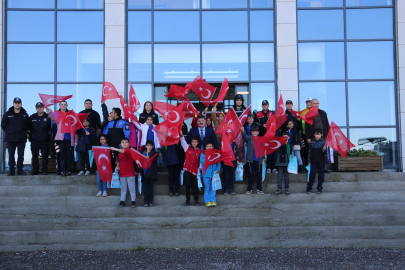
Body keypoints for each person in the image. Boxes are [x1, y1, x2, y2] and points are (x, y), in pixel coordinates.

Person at [1, 97, 30, 176]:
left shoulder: (25, 114)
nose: (17, 104)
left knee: (21, 155)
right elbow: (3, 125)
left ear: (21, 104)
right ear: (13, 104)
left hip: (21, 138)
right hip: (11, 138)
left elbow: (28, 125)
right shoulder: (7, 114)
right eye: (16, 103)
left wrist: (23, 132)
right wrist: (10, 132)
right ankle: (12, 171)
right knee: (11, 155)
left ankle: (20, 170)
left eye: (18, 103)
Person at [48, 101, 77, 176]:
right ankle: (62, 170)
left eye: (65, 104)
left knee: (69, 155)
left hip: (69, 139)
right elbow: (53, 119)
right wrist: (49, 112)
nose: (63, 106)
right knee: (61, 155)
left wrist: (75, 140)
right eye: (62, 104)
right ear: (59, 105)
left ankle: (68, 170)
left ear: (67, 105)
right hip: (60, 139)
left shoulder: (70, 114)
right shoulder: (56, 113)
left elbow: (74, 125)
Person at [305, 99, 330, 172]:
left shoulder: (323, 113)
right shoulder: (308, 114)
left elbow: (327, 125)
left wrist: (328, 136)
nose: (315, 105)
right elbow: (306, 128)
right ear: (311, 104)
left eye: (317, 103)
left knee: (323, 152)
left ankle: (324, 168)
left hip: (323, 136)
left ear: (318, 104)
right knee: (314, 152)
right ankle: (314, 168)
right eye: (314, 103)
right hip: (313, 137)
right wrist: (308, 137)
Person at [111, 138, 136, 208]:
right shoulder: (119, 154)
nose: (124, 144)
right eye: (123, 142)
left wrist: (115, 148)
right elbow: (119, 161)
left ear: (129, 144)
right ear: (120, 144)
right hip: (122, 174)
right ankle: (122, 201)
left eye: (126, 142)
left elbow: (124, 152)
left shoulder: (129, 150)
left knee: (132, 188)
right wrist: (117, 167)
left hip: (130, 173)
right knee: (123, 188)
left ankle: (133, 201)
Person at [180, 130, 202, 206]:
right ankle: (187, 201)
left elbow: (201, 161)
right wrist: (181, 135)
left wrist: (200, 168)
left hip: (195, 171)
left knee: (195, 186)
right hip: (187, 170)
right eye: (193, 142)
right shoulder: (187, 148)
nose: (194, 143)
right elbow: (182, 141)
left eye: (196, 142)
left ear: (198, 143)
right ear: (191, 142)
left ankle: (196, 201)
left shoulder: (200, 151)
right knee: (187, 186)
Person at [255, 100, 278, 174]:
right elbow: (255, 125)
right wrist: (262, 126)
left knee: (271, 153)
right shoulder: (258, 114)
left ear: (268, 105)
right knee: (262, 154)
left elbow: (276, 123)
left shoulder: (272, 113)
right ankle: (265, 167)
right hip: (261, 137)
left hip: (271, 137)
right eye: (263, 105)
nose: (265, 106)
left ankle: (273, 167)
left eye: (266, 105)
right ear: (262, 106)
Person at [241, 125, 265, 195]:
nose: (254, 133)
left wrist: (263, 158)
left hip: (258, 160)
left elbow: (262, 149)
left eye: (256, 132)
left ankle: (259, 189)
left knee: (258, 175)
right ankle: (249, 189)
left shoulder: (261, 139)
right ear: (251, 132)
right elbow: (244, 137)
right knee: (250, 175)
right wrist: (243, 131)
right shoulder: (249, 138)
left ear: (258, 132)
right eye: (253, 132)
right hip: (250, 160)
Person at [29, 102, 51, 175]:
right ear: (36, 108)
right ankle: (35, 170)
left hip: (44, 140)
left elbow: (50, 127)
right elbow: (29, 127)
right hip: (34, 140)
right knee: (35, 155)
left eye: (41, 107)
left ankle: (44, 170)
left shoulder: (47, 117)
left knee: (45, 155)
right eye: (38, 107)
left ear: (43, 108)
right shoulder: (32, 117)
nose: (39, 108)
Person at [199, 141, 221, 207]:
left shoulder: (216, 155)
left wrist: (217, 170)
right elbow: (204, 162)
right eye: (208, 146)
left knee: (213, 188)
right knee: (207, 188)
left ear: (213, 147)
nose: (209, 147)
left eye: (210, 146)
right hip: (206, 175)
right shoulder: (202, 155)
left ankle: (213, 201)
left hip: (214, 175)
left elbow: (218, 164)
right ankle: (207, 201)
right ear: (205, 147)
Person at [307, 129, 327, 194]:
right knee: (312, 175)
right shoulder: (312, 142)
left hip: (321, 161)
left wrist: (324, 149)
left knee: (321, 175)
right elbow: (309, 152)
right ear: (314, 135)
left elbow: (325, 153)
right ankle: (309, 187)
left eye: (318, 134)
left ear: (321, 134)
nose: (317, 135)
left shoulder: (323, 142)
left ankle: (319, 187)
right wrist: (309, 161)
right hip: (313, 161)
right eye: (316, 134)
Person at [139, 140, 159, 207]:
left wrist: (149, 158)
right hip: (144, 174)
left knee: (151, 189)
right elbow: (140, 163)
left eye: (150, 146)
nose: (149, 147)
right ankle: (145, 201)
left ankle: (150, 201)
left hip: (151, 174)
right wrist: (139, 172)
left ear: (152, 146)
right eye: (148, 145)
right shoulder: (142, 153)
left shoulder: (155, 153)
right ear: (145, 146)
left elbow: (155, 159)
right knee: (145, 189)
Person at [275, 131, 293, 195]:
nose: (285, 138)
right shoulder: (279, 144)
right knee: (279, 176)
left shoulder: (289, 145)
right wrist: (283, 144)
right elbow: (280, 151)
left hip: (287, 163)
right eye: (284, 137)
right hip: (280, 162)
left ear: (289, 137)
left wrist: (291, 155)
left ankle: (287, 189)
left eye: (286, 137)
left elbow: (290, 153)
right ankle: (279, 189)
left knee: (286, 177)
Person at [301, 97, 312, 167]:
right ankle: (306, 165)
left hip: (313, 134)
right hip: (304, 134)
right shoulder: (303, 111)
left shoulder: (315, 111)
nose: (308, 103)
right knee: (305, 150)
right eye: (307, 102)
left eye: (309, 102)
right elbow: (301, 123)